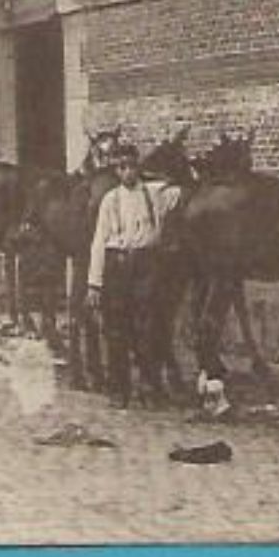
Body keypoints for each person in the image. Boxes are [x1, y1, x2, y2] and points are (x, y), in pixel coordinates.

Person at [86, 145, 162, 409]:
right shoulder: (110, 200)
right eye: (121, 167)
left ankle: (149, 386)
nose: (127, 171)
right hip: (117, 266)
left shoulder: (154, 195)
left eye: (131, 165)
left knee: (148, 328)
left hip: (145, 266)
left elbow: (180, 191)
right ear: (116, 170)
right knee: (116, 328)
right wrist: (94, 283)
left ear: (138, 166)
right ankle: (119, 388)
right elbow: (99, 241)